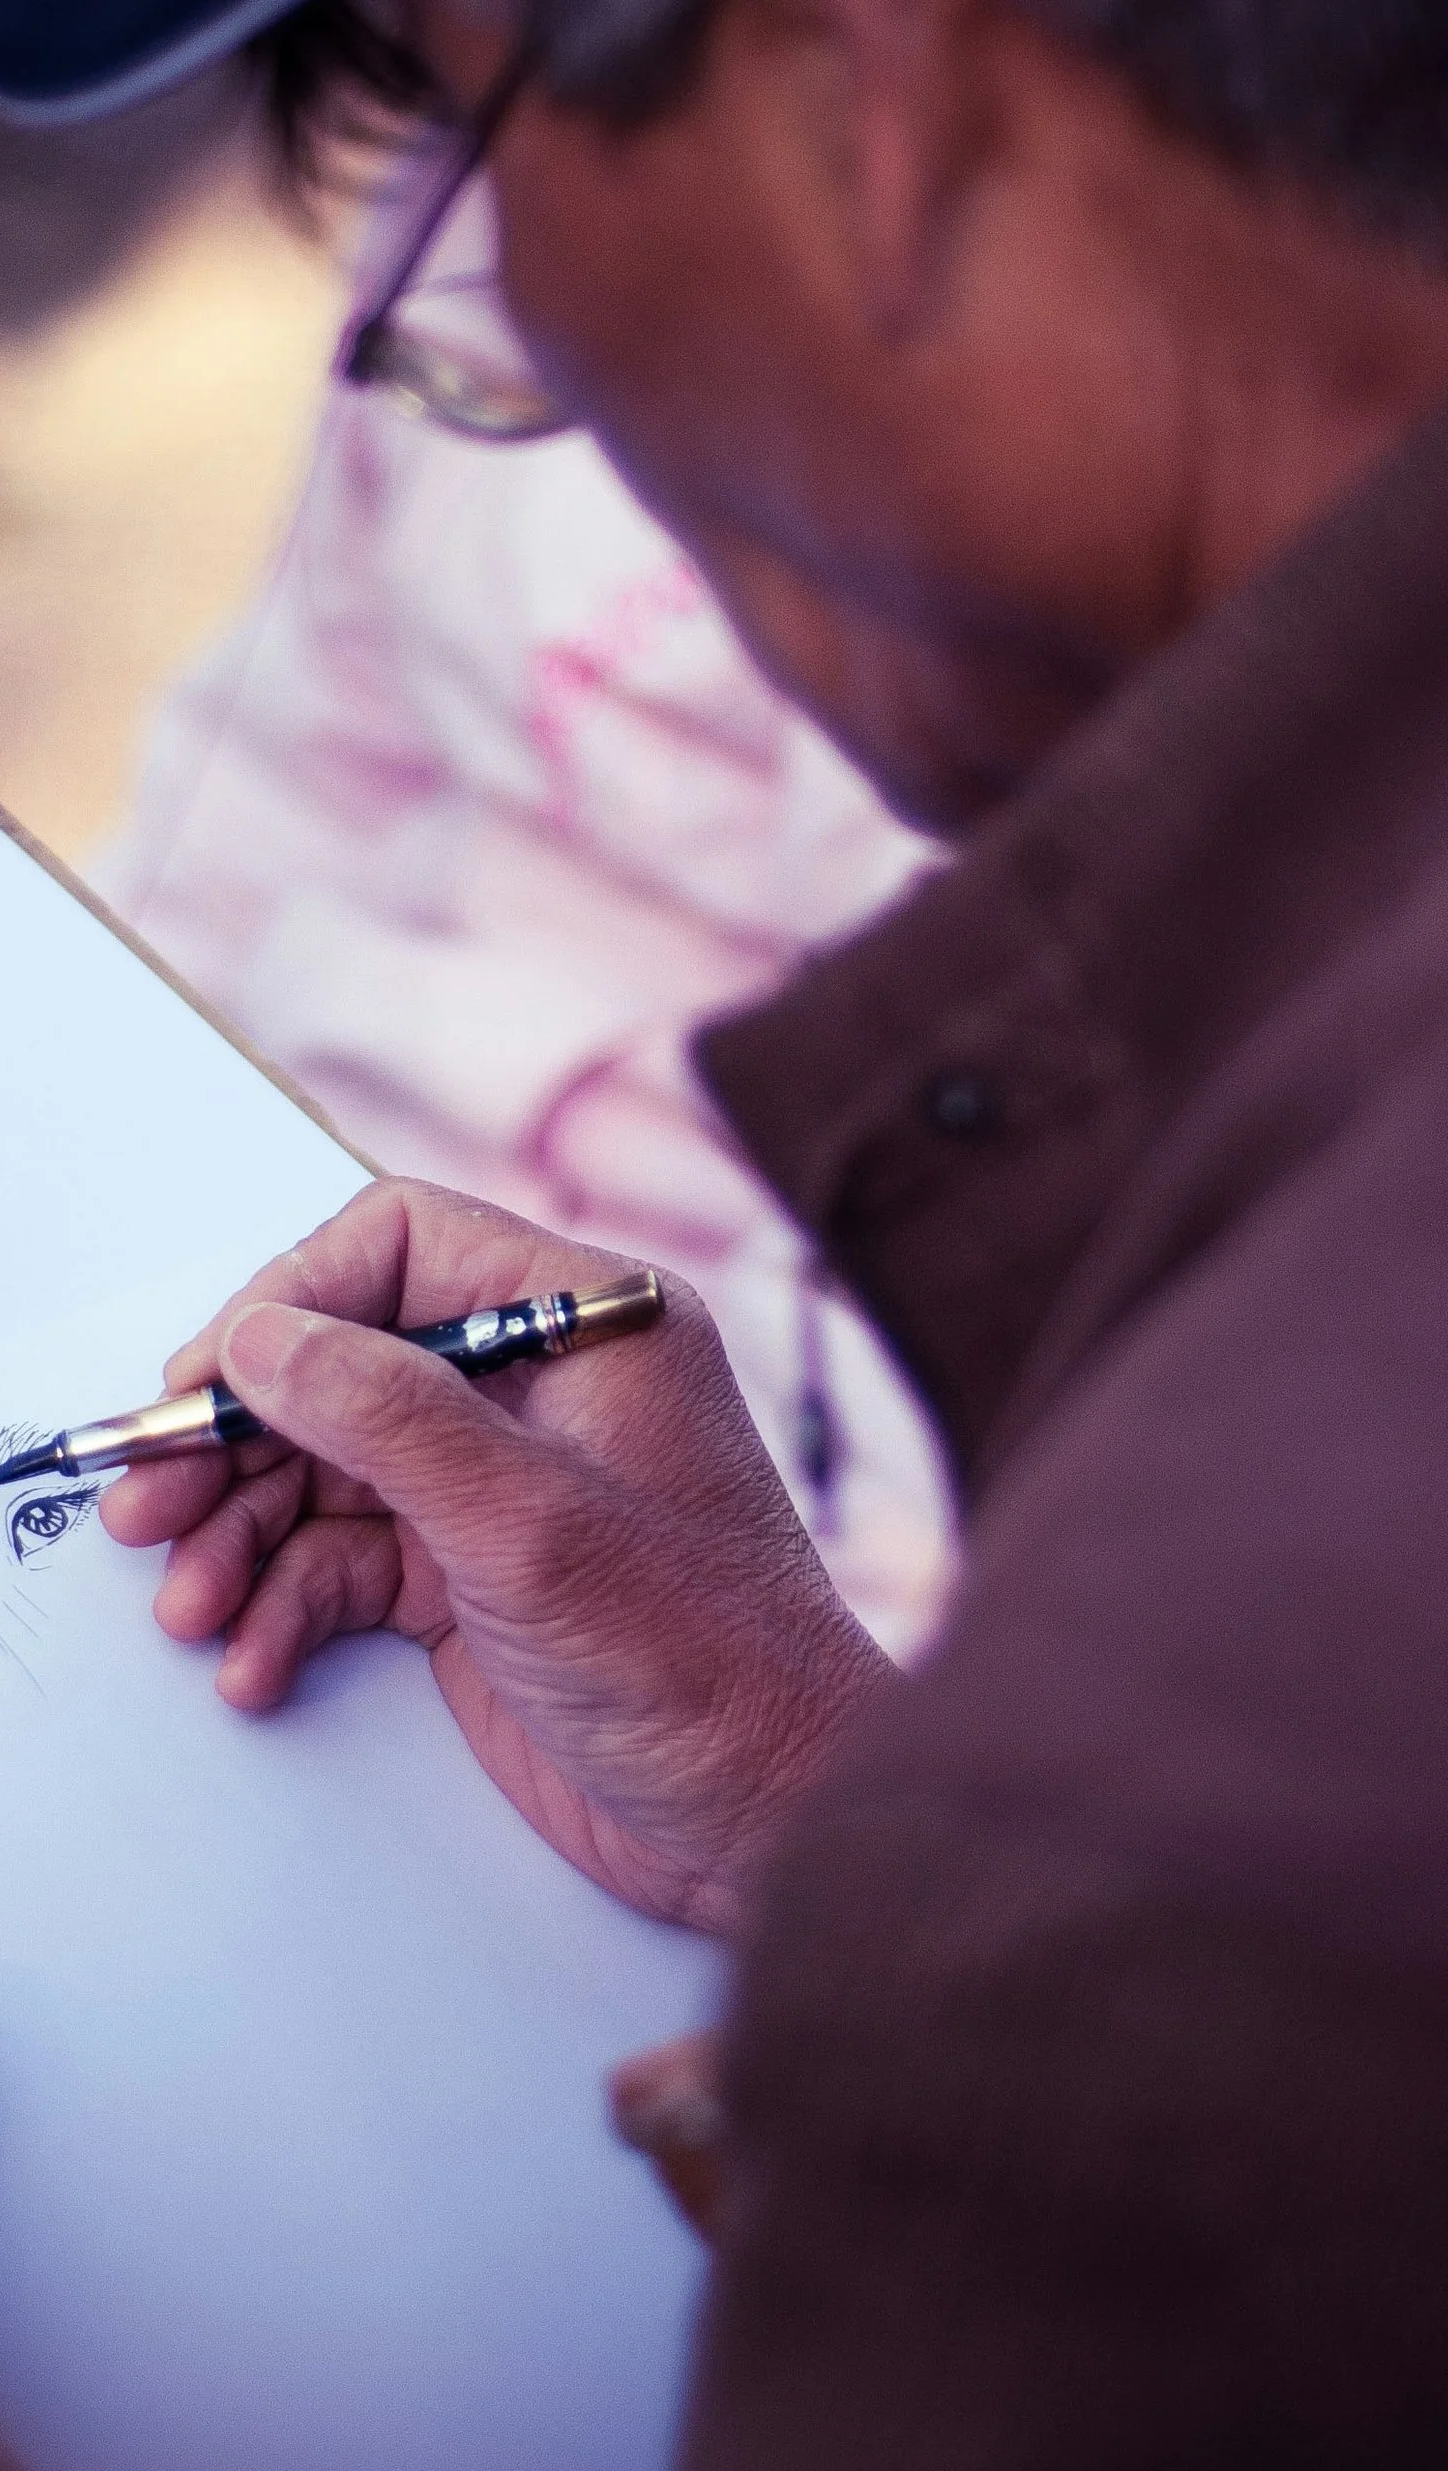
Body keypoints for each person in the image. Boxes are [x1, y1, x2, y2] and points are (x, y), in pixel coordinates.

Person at [0, 1, 1448, 2471]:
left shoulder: (1192, 1814)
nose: (515, 355)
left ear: (870, 102)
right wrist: (821, 1774)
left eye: (483, 182)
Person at [95, 175, 953, 1658]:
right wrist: (86, 1046)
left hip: (728, 1366)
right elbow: (281, 751)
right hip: (323, 1188)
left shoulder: (914, 402)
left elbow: (957, 1087)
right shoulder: (445, 220)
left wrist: (839, 1634)